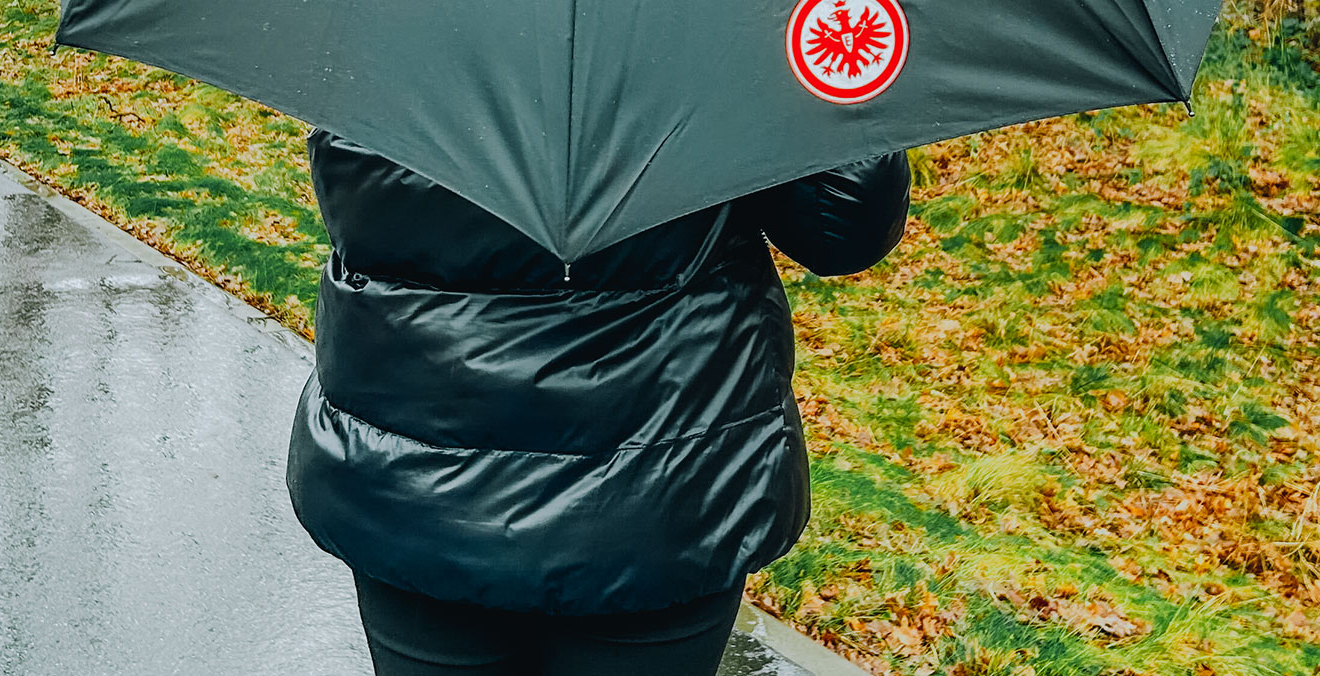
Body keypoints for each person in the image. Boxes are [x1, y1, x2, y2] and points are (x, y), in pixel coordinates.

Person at [288, 128, 912, 676]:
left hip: (419, 467)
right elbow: (843, 225)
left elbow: (359, 191)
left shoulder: (382, 4)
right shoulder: (719, 9)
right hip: (665, 473)